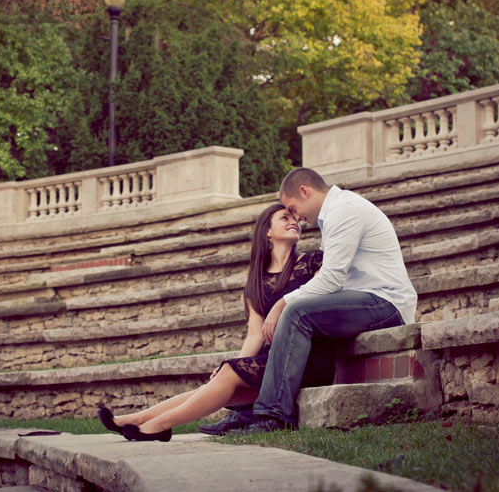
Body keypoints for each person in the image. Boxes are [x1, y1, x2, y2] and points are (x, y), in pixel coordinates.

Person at [95, 203, 326, 441]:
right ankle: (135, 419)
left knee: (224, 375)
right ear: (267, 232)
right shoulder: (256, 282)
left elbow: (321, 293)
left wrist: (280, 308)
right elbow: (255, 335)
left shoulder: (312, 262)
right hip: (269, 360)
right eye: (284, 217)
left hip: (302, 357)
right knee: (215, 382)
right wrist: (234, 365)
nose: (294, 222)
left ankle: (158, 425)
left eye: (295, 218)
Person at [239, 167, 417, 433]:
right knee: (297, 312)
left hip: (386, 303)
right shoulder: (334, 214)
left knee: (296, 312)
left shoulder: (343, 211)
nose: (296, 217)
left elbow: (331, 279)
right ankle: (248, 410)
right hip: (365, 300)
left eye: (292, 207)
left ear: (305, 191)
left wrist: (282, 302)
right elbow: (324, 277)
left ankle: (272, 415)